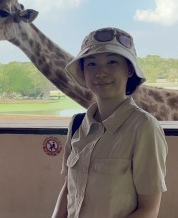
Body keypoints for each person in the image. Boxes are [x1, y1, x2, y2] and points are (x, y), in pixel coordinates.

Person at [52, 27, 167, 218]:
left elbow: (149, 209)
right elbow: (68, 188)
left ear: (129, 69)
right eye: (91, 64)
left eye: (112, 62)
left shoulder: (144, 127)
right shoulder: (77, 124)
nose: (101, 72)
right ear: (83, 71)